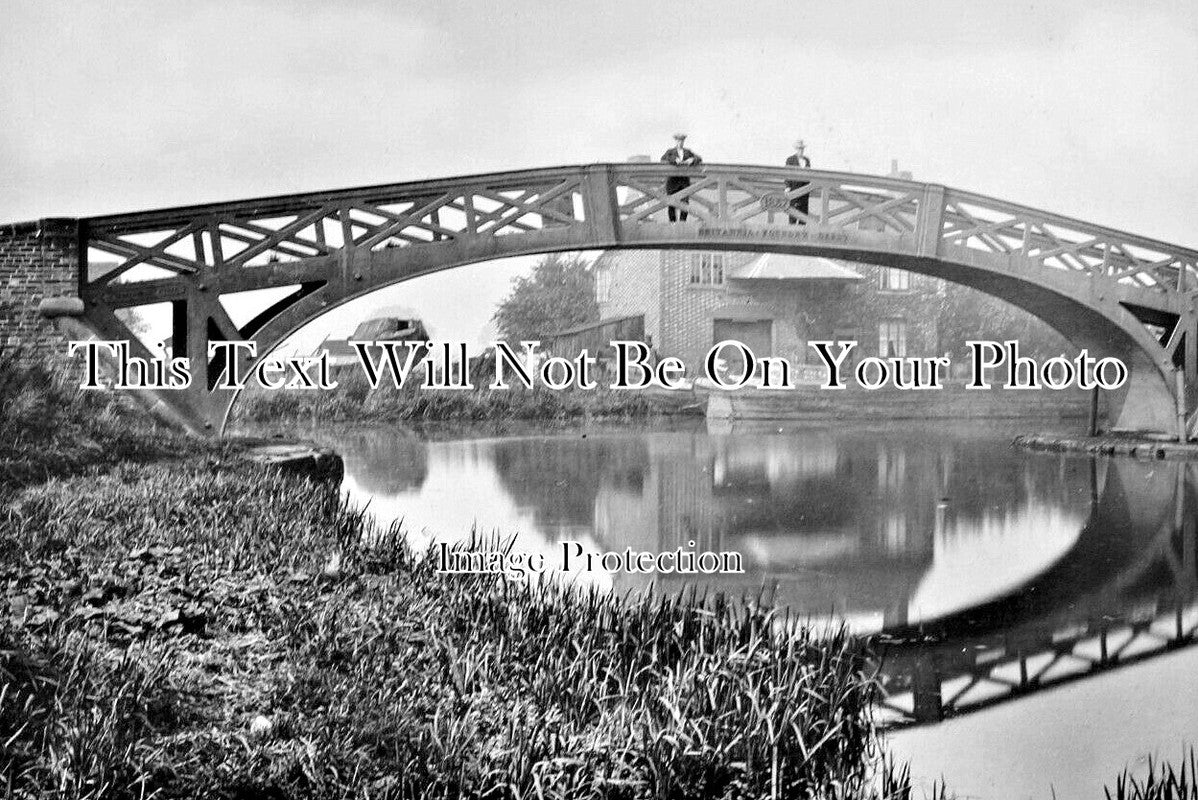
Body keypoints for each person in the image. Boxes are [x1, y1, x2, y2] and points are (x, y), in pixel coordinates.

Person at [660, 133, 702, 222]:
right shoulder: (670, 152)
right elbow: (663, 158)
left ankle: (682, 223)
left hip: (684, 182)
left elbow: (699, 158)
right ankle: (672, 223)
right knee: (671, 204)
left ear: (683, 141)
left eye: (682, 141)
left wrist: (692, 159)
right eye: (678, 141)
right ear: (676, 141)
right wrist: (674, 160)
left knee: (685, 203)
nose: (680, 143)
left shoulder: (688, 152)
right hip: (672, 182)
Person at [785, 139, 812, 224]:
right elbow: (786, 173)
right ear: (796, 149)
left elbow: (810, 174)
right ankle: (792, 231)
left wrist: (810, 186)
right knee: (793, 211)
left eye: (802, 148)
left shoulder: (806, 160)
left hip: (805, 189)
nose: (801, 150)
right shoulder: (790, 159)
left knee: (803, 212)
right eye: (799, 148)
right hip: (794, 188)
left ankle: (803, 232)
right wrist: (788, 186)